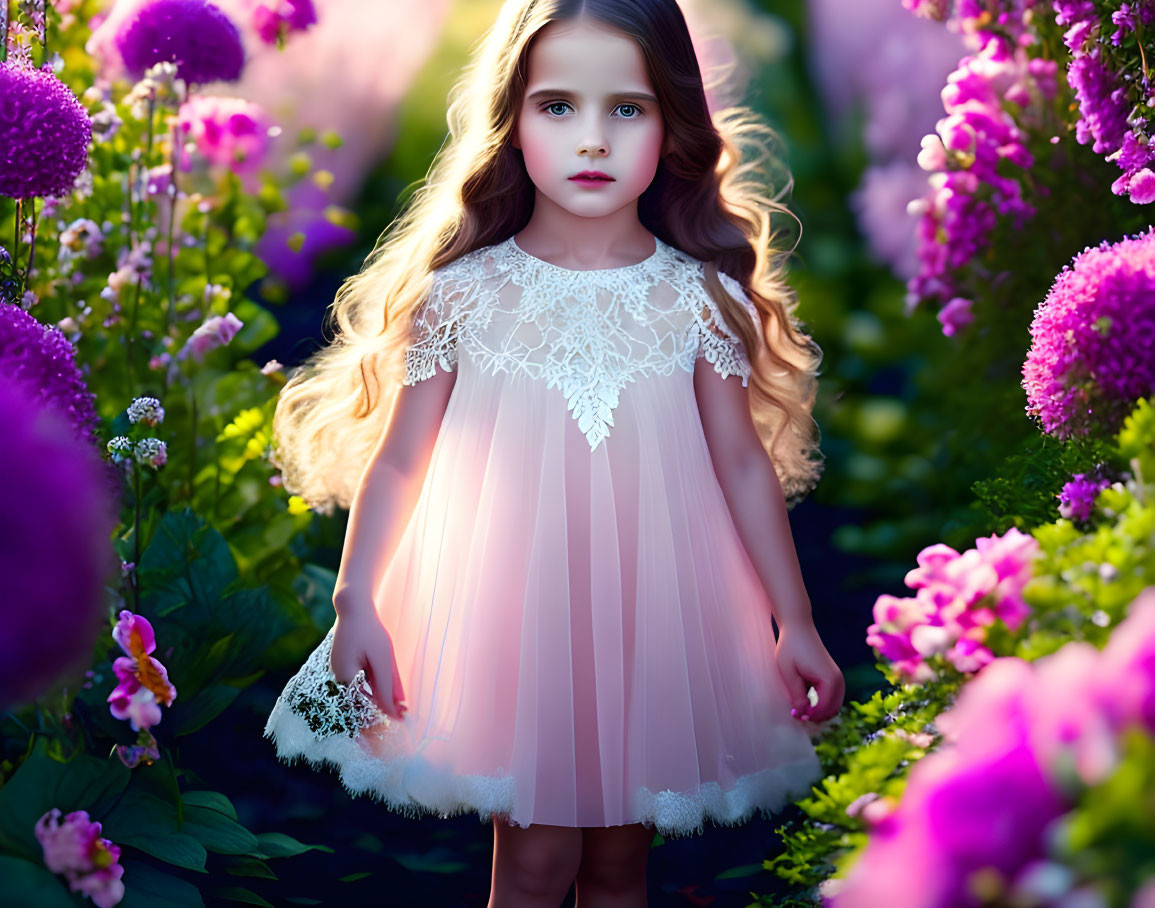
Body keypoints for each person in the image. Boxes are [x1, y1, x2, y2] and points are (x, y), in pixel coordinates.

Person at [263, 1, 845, 905]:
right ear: (512, 120)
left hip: (655, 613)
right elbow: (401, 460)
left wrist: (793, 620)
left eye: (627, 109)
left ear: (670, 123)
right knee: (534, 863)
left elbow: (738, 467)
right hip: (515, 619)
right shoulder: (461, 297)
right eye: (557, 106)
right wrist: (357, 597)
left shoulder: (699, 300)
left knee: (619, 864)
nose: (592, 140)